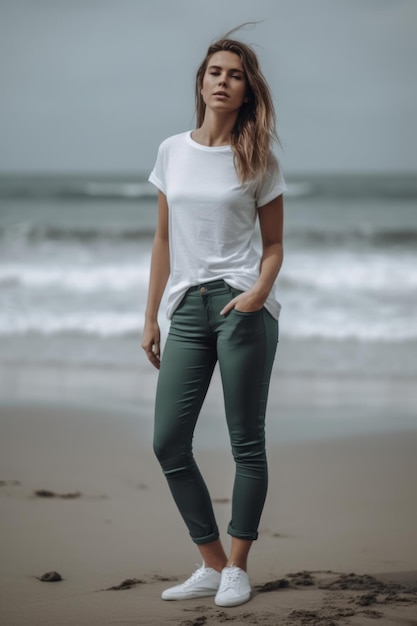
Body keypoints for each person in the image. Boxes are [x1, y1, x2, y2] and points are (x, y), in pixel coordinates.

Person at [141, 31, 286, 608]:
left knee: (245, 442)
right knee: (168, 441)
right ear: (200, 83)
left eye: (234, 74)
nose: (222, 81)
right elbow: (161, 238)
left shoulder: (258, 158)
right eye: (213, 72)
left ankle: (238, 568)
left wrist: (256, 295)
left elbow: (273, 245)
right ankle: (210, 562)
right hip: (186, 308)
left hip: (240, 306)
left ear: (247, 89)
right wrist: (151, 316)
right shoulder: (171, 150)